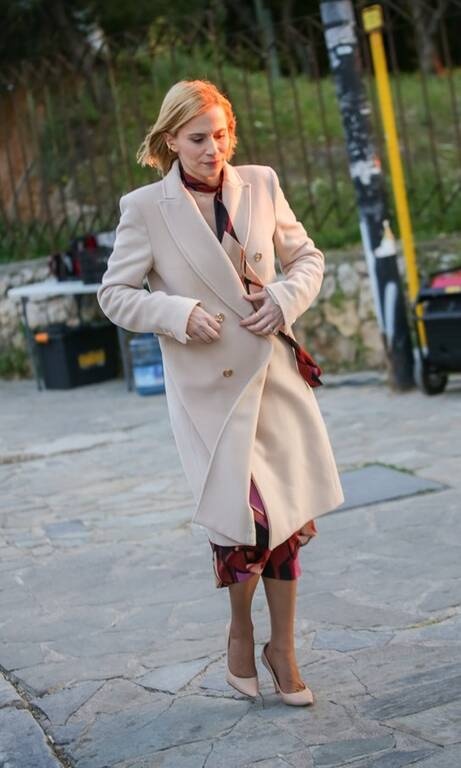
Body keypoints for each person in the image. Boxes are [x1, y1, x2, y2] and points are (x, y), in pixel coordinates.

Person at [97, 79, 344, 706]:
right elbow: (114, 295)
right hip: (210, 392)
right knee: (243, 522)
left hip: (273, 378)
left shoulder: (260, 183)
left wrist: (284, 298)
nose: (214, 150)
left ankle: (282, 649)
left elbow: (308, 258)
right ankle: (241, 631)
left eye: (222, 135)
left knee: (284, 518)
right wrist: (177, 313)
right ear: (171, 141)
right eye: (199, 138)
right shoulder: (145, 208)